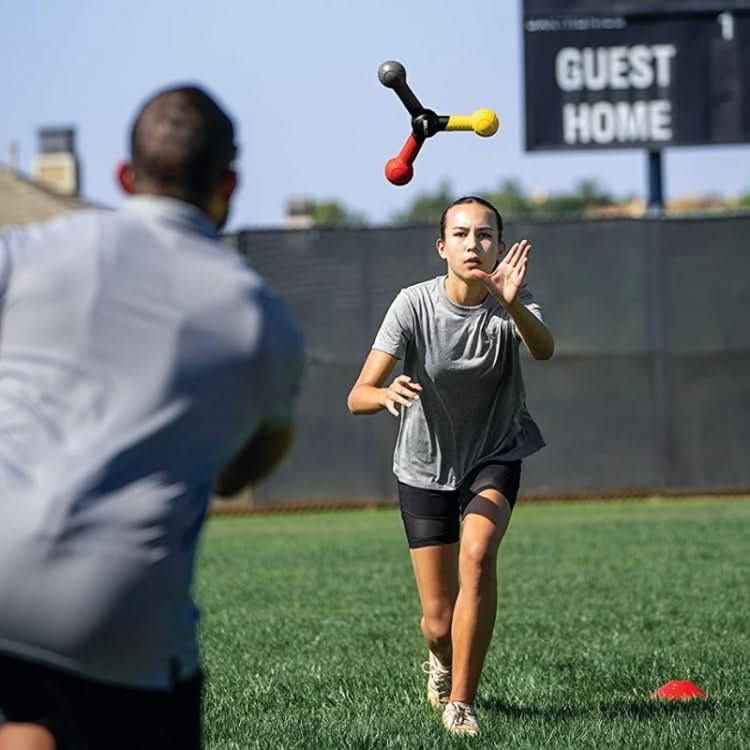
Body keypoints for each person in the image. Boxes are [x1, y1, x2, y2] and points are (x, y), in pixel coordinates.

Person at [0, 85, 304, 750]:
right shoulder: (262, 321)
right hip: (120, 616)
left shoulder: (27, 251)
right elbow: (241, 471)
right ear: (229, 185)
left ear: (121, 175)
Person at [347, 196, 553, 736]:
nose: (473, 244)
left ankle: (462, 702)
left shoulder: (512, 300)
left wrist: (510, 304)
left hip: (495, 452)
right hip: (423, 467)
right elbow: (357, 395)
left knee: (479, 557)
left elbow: (545, 349)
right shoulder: (413, 305)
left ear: (501, 248)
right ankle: (440, 660)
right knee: (438, 622)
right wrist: (385, 390)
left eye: (485, 235)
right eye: (460, 235)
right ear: (442, 246)